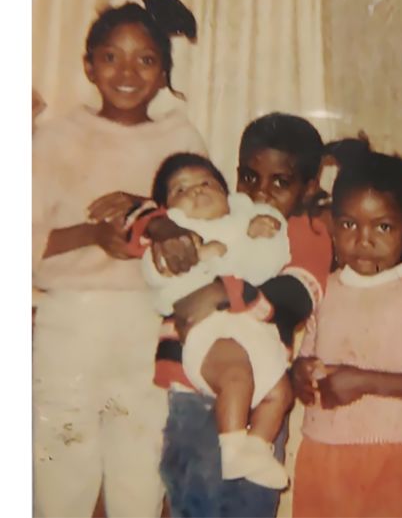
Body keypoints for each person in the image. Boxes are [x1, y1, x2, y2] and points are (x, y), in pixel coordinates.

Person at [32, 0, 205, 518]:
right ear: (89, 65)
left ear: (163, 72)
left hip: (149, 324)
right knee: (63, 464)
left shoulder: (181, 138)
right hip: (72, 322)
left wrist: (155, 217)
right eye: (112, 57)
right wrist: (90, 235)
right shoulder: (56, 138)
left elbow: (204, 229)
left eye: (145, 59)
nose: (127, 72)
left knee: (140, 461)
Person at [133, 113, 333, 517]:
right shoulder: (226, 210)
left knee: (247, 498)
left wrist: (222, 292)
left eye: (280, 182)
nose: (261, 192)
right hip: (192, 383)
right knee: (194, 488)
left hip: (259, 390)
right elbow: (158, 220)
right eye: (249, 177)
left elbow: (294, 296)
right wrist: (154, 224)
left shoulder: (308, 228)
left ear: (310, 187)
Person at [290, 150, 402, 518]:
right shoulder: (324, 287)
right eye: (349, 225)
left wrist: (364, 381)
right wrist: (300, 374)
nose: (363, 240)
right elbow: (307, 355)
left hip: (388, 453)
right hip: (320, 451)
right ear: (332, 224)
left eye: (382, 227)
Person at [140, 152, 294, 489]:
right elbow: (160, 280)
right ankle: (233, 447)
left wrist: (258, 234)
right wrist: (199, 257)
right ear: (167, 208)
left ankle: (255, 449)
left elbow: (263, 266)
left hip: (253, 328)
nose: (196, 191)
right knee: (236, 377)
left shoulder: (245, 220)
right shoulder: (176, 235)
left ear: (227, 194)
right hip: (208, 329)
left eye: (206, 183)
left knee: (280, 391)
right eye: (181, 189)